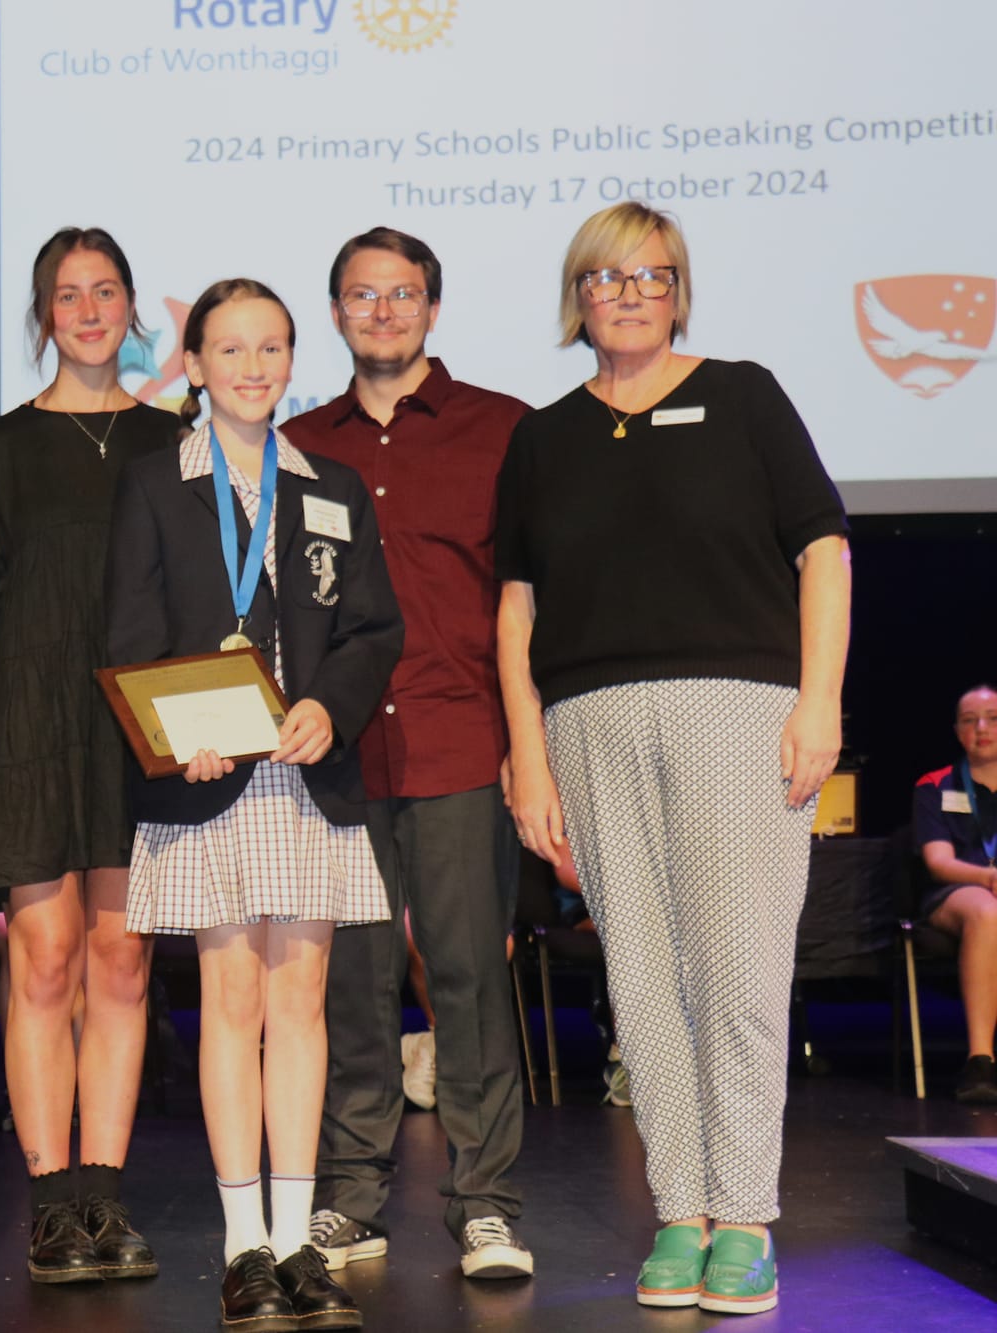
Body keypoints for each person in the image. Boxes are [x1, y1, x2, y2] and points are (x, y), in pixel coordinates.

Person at [496, 201, 850, 1316]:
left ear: (678, 289)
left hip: (736, 707)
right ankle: (679, 1213)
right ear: (577, 296)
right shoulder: (542, 436)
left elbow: (823, 551)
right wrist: (525, 752)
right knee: (640, 983)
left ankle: (743, 1217)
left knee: (736, 972)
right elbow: (515, 608)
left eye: (652, 274)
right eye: (607, 276)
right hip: (587, 719)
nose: (631, 292)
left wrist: (818, 703)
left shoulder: (742, 394)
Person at [105, 278, 403, 1331]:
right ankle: (242, 1247)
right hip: (206, 776)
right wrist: (169, 734)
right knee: (230, 1000)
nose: (250, 365)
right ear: (191, 364)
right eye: (226, 349)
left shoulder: (331, 485)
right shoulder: (153, 483)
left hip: (304, 773)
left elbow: (373, 630)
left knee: (302, 1003)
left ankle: (295, 1236)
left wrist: (330, 703)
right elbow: (128, 635)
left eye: (269, 347)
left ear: (290, 359)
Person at [281, 226, 535, 1280]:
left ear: (432, 308)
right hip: (333, 755)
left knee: (471, 975)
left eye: (401, 295)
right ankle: (349, 1195)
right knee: (350, 982)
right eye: (359, 295)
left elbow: (533, 599)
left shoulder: (505, 430)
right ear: (335, 312)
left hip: (460, 740)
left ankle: (484, 1203)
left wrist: (533, 748)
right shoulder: (290, 441)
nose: (380, 312)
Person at [0, 226, 179, 1283]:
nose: (87, 310)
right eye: (65, 293)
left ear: (131, 308)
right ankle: (50, 1200)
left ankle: (103, 1188)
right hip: (33, 724)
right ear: (42, 314)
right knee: (40, 958)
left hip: (137, 727)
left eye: (104, 292)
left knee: (122, 959)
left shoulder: (175, 439)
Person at [911, 683, 997, 1103]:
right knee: (987, 911)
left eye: (993, 718)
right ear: (957, 730)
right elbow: (938, 862)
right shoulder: (937, 785)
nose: (982, 728)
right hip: (958, 894)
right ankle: (981, 1061)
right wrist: (988, 879)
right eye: (970, 720)